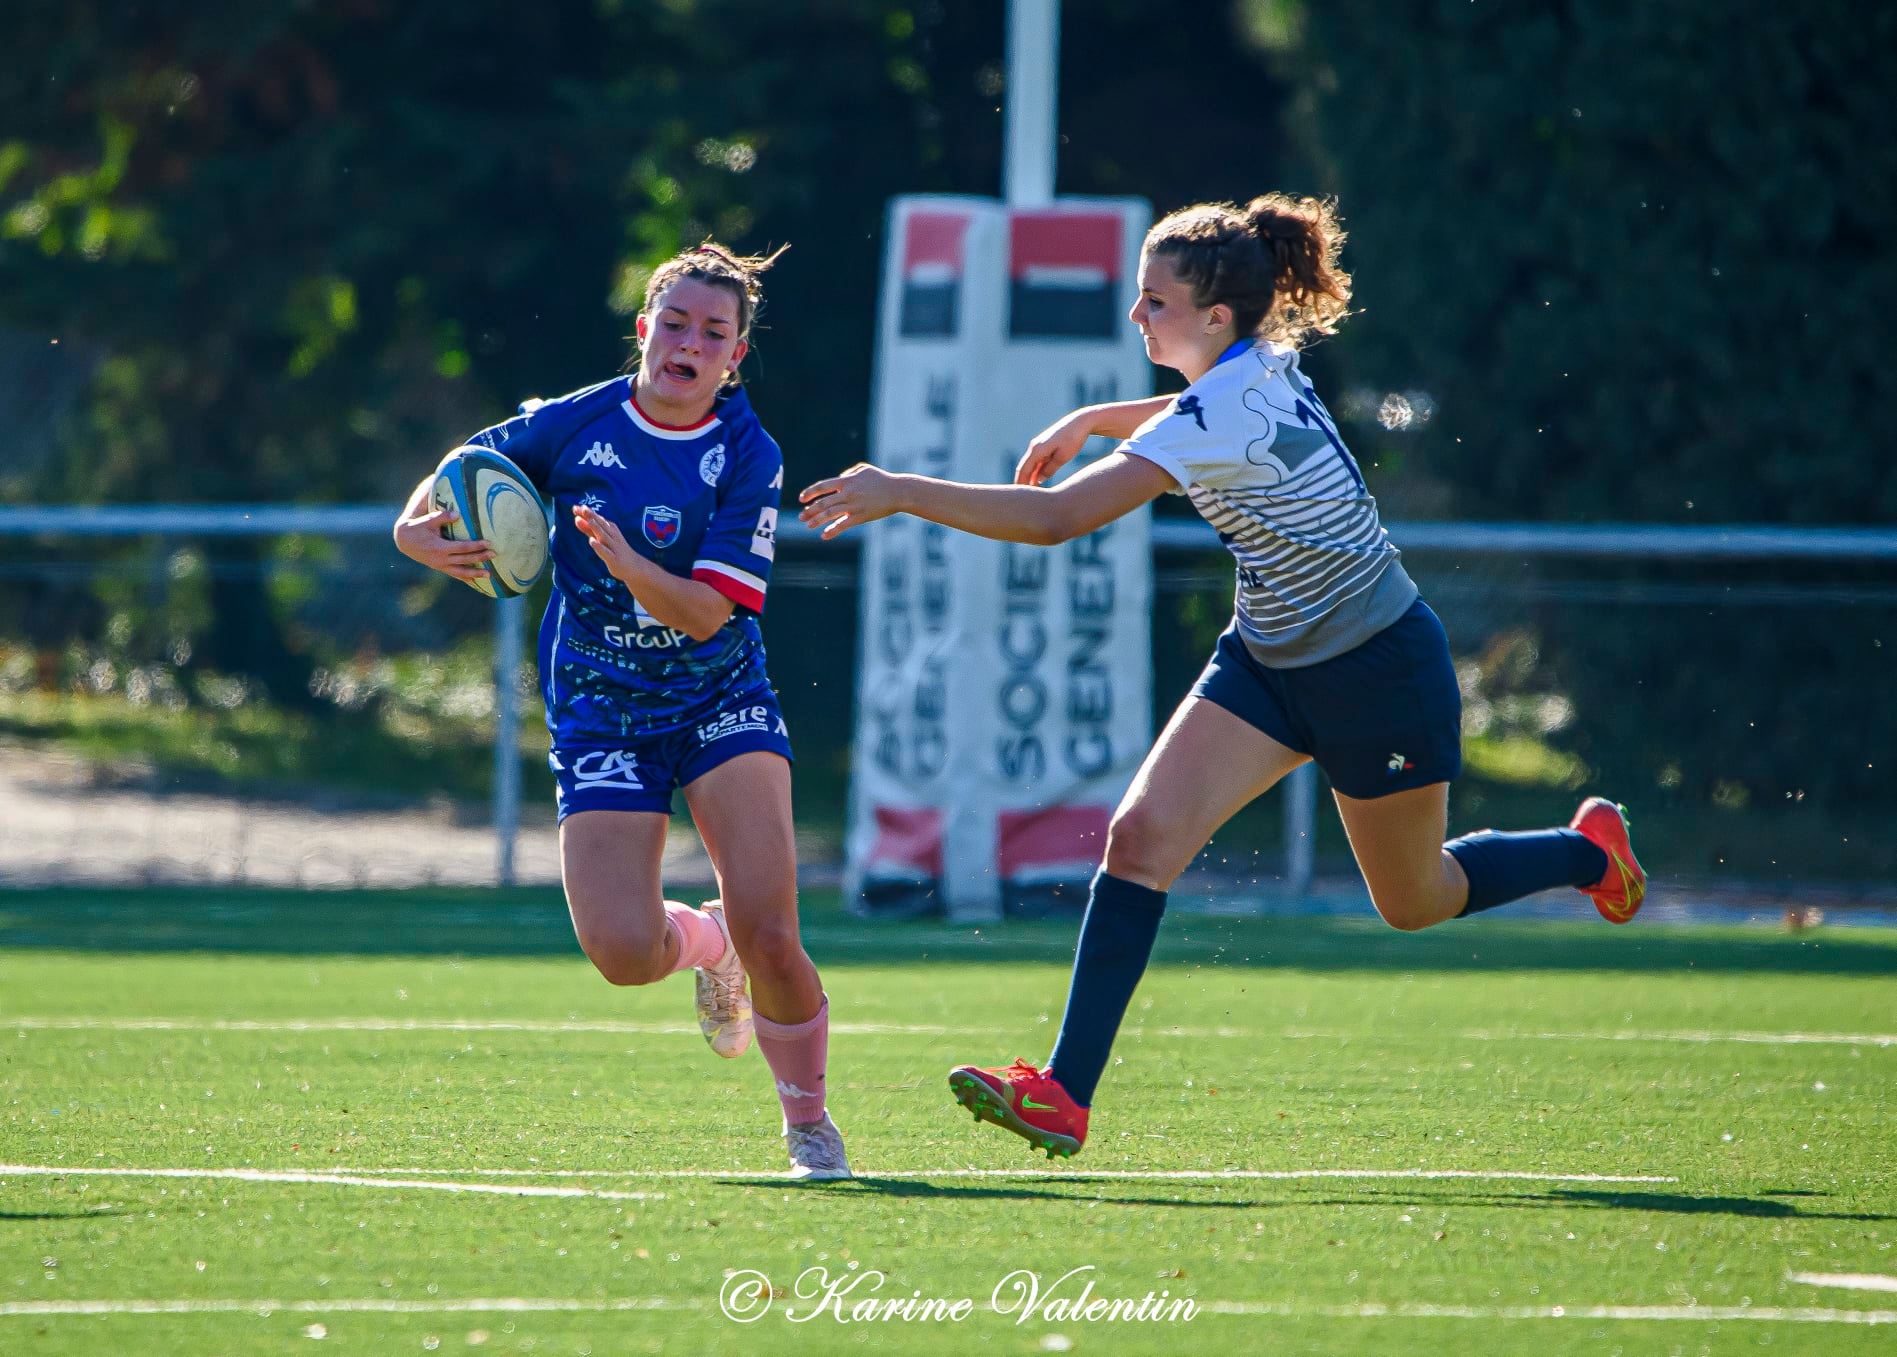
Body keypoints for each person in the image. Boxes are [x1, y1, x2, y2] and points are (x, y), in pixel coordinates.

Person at [797, 194, 1644, 1160]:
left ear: (1213, 317)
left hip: (1377, 669)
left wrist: (900, 488)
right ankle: (1063, 1094)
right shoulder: (1252, 367)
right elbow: (1188, 408)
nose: (1135, 316)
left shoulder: (1219, 406)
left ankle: (1588, 853)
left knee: (1414, 899)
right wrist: (1090, 415)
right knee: (1138, 837)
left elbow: (1053, 520)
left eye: (1153, 302)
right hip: (1267, 660)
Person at [394, 242, 849, 1180]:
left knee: (777, 932)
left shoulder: (747, 453)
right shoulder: (578, 420)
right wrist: (414, 525)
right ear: (643, 329)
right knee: (623, 952)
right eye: (673, 322)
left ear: (735, 357)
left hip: (719, 694)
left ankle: (808, 1123)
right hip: (600, 706)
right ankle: (706, 941)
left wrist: (623, 561)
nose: (687, 341)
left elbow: (706, 610)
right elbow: (464, 464)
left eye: (712, 332)